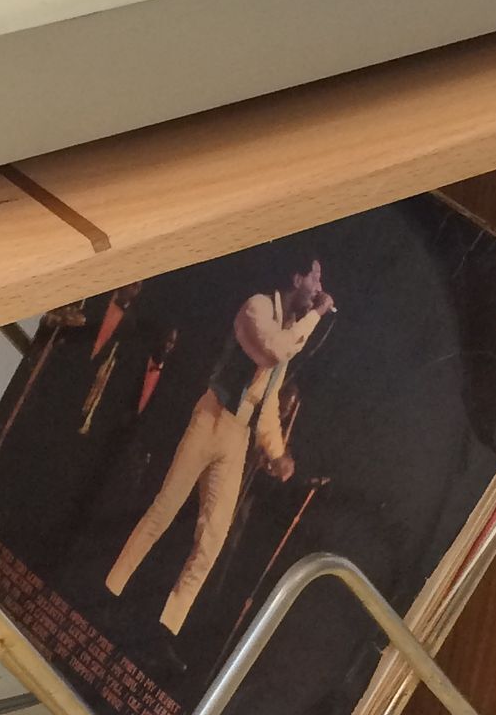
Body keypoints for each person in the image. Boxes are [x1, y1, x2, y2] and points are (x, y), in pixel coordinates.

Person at [105, 258, 335, 635]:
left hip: (238, 435)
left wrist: (276, 453)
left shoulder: (290, 328)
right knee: (164, 509)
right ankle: (113, 587)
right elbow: (273, 352)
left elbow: (269, 399)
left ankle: (168, 624)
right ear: (296, 278)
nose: (319, 286)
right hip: (211, 417)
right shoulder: (258, 307)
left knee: (212, 537)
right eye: (315, 277)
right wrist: (318, 316)